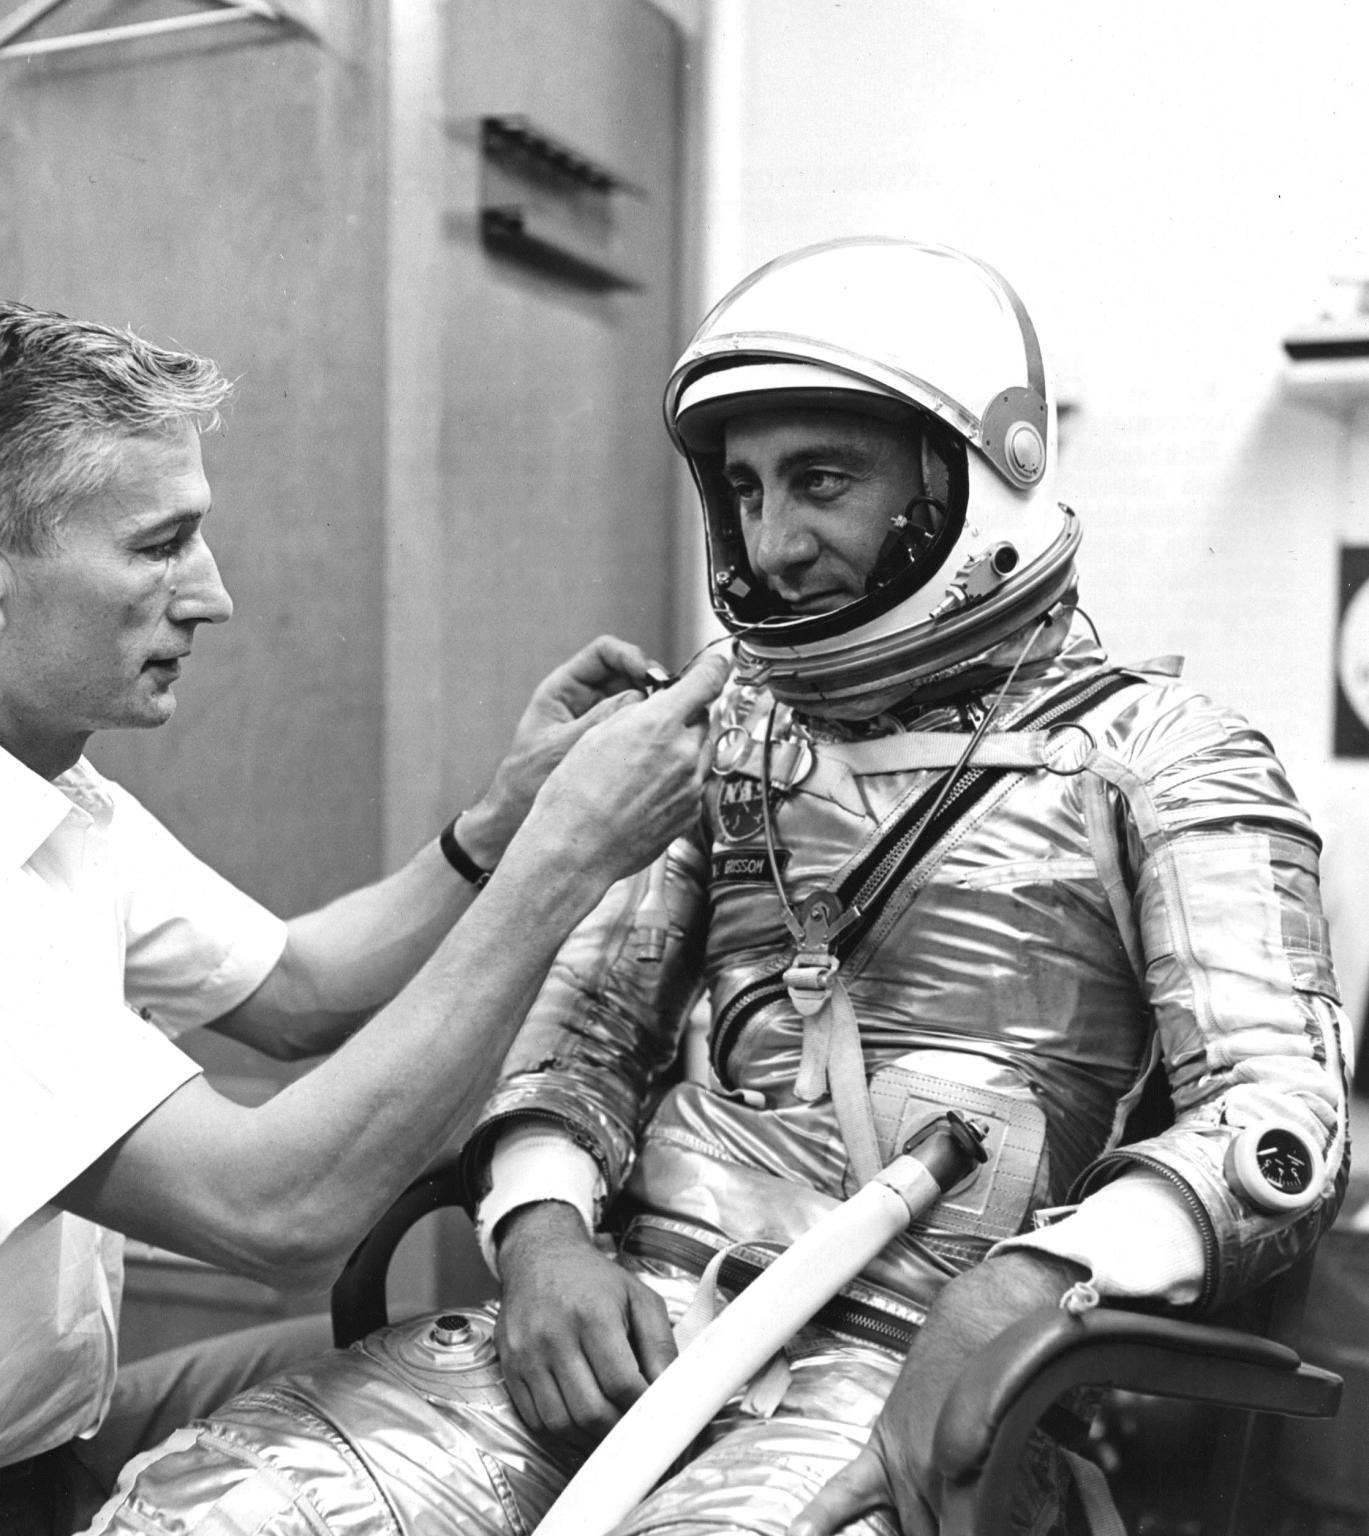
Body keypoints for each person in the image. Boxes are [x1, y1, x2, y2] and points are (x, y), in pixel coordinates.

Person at [85, 238, 1349, 1536]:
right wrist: (540, 1237)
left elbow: (1282, 1114)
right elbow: (578, 1035)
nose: (772, 540)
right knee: (202, 1510)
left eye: (821, 483)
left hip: (922, 1375)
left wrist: (1038, 1281)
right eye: (742, 489)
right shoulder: (718, 740)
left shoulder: (1161, 756)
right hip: (627, 1339)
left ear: (967, 479)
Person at [0, 299, 726, 1536]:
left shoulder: (59, 793)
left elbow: (303, 990)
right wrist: (559, 865)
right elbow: (273, 1209)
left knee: (433, 1376)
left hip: (48, 1430)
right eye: (159, 546)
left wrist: (497, 826)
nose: (212, 596)